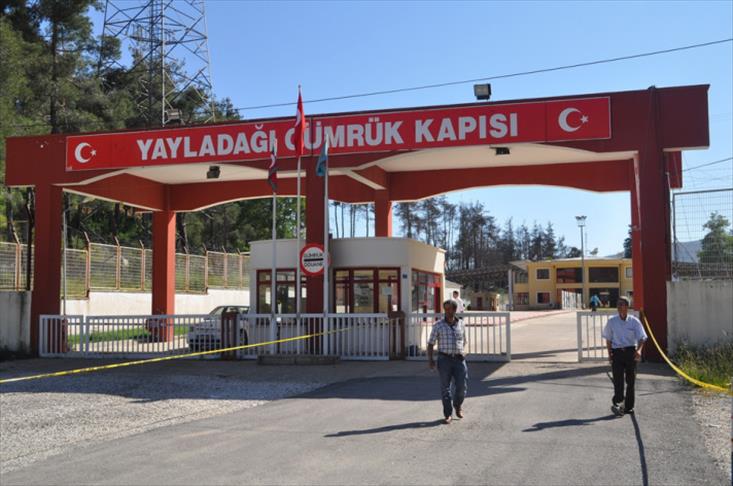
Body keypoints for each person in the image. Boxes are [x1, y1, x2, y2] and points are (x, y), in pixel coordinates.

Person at [602, 296, 647, 416]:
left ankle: (629, 407)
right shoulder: (612, 321)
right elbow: (608, 339)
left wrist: (639, 350)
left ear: (627, 306)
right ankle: (618, 402)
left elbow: (642, 337)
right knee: (618, 380)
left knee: (630, 381)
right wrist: (609, 354)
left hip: (630, 353)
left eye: (622, 304)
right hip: (617, 353)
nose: (619, 307)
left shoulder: (634, 321)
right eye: (618, 304)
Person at [427, 299, 468, 424]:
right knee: (445, 388)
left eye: (450, 309)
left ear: (455, 310)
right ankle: (448, 414)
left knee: (462, 386)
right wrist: (431, 360)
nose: (447, 311)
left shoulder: (461, 324)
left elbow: (464, 341)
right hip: (444, 359)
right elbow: (431, 343)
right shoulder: (438, 325)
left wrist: (463, 351)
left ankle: (457, 405)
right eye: (446, 309)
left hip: (459, 359)